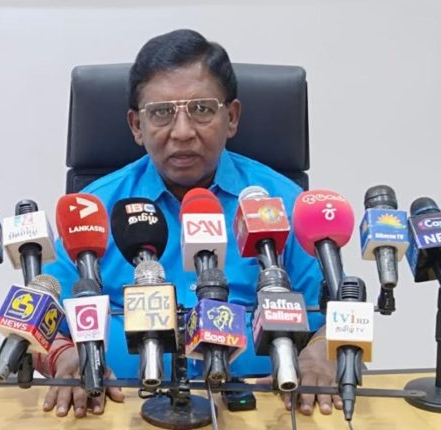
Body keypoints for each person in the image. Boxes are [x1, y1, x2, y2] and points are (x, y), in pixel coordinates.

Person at [36, 28, 338, 419]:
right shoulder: (91, 211)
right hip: (117, 411)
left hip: (260, 412)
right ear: (136, 125)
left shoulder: (285, 204)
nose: (182, 132)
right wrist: (63, 356)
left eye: (201, 109)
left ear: (231, 117)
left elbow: (339, 314)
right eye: (161, 112)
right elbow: (37, 324)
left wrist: (323, 352)